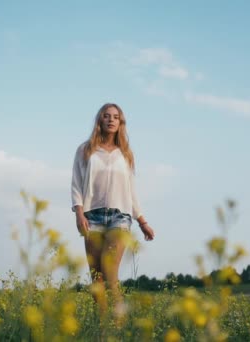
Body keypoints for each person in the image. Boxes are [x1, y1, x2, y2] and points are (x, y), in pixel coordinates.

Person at [71, 103, 155, 321]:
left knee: (109, 273)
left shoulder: (125, 154)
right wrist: (79, 213)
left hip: (120, 217)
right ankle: (102, 329)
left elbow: (131, 191)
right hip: (92, 217)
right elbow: (76, 184)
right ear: (100, 120)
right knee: (96, 278)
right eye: (106, 116)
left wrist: (142, 221)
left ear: (120, 123)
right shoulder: (85, 150)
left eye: (116, 117)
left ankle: (119, 324)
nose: (111, 120)